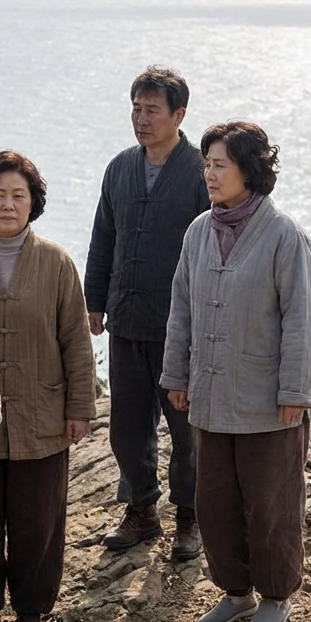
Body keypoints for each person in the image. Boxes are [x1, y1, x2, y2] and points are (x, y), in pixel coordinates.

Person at [161, 121, 311, 622]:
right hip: (210, 396)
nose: (209, 173)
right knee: (216, 502)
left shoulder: (284, 236)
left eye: (220, 164)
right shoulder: (197, 232)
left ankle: (275, 595)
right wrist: (176, 375)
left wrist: (295, 391)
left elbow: (302, 318)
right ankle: (235, 592)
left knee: (270, 503)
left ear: (249, 170)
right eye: (206, 163)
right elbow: (181, 309)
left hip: (268, 404)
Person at [0, 151, 96, 622]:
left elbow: (76, 341)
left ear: (34, 201)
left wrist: (80, 407)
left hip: (42, 417)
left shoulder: (57, 262)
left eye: (19, 195)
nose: (9, 204)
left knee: (39, 521)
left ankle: (32, 611)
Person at [83, 65, 210, 560]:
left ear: (178, 115)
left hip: (181, 327)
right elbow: (103, 240)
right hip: (127, 319)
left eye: (152, 110)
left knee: (186, 431)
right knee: (127, 425)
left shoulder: (201, 171)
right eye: (136, 108)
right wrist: (95, 300)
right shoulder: (119, 168)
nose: (141, 118)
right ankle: (142, 510)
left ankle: (190, 517)